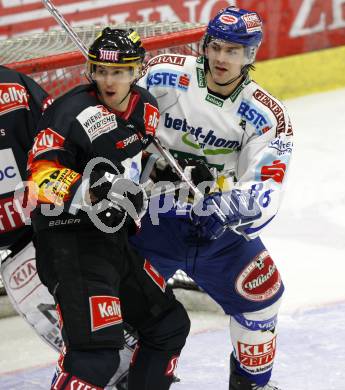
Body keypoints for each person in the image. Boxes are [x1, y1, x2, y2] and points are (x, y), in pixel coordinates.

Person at [131, 6, 294, 390]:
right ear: (204, 45)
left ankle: (249, 385)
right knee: (122, 310)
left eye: (233, 51)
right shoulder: (163, 74)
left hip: (216, 230)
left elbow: (266, 184)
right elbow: (120, 119)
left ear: (250, 55)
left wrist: (226, 204)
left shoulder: (266, 115)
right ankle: (123, 376)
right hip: (151, 221)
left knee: (261, 297)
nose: (221, 58)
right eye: (216, 47)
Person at [27, 27, 190, 390]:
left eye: (118, 71)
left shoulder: (146, 107)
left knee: (168, 324)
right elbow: (40, 176)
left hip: (113, 240)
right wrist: (98, 191)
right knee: (95, 356)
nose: (107, 80)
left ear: (137, 71)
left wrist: (167, 173)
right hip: (69, 239)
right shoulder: (70, 112)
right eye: (100, 70)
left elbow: (137, 160)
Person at [0, 65, 63, 350]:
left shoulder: (14, 86)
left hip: (36, 229)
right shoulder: (14, 83)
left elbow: (55, 136)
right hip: (33, 223)